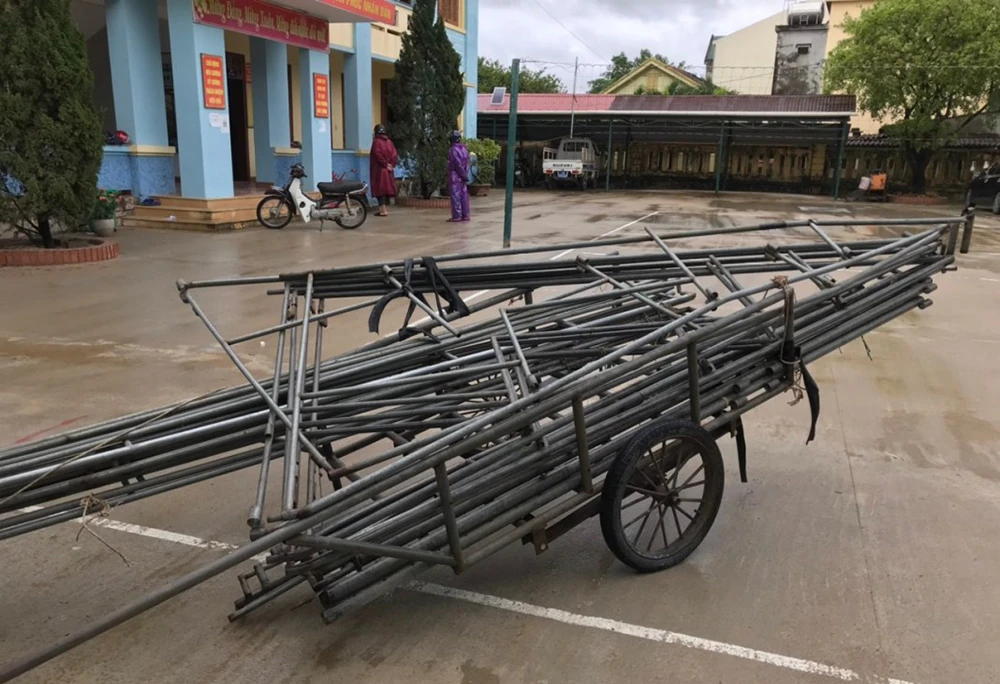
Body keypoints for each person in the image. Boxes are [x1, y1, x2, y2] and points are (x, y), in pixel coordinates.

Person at [369, 125, 398, 217]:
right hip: (388, 170)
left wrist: (385, 164)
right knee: (386, 189)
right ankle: (383, 209)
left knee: (380, 190)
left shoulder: (376, 142)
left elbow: (377, 155)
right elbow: (394, 155)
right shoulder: (390, 142)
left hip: (379, 170)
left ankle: (383, 210)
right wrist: (391, 165)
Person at [446, 130, 470, 223]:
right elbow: (467, 163)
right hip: (463, 176)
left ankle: (457, 216)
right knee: (464, 196)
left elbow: (457, 164)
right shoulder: (464, 149)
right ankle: (465, 215)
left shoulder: (453, 150)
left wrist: (462, 174)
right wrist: (465, 174)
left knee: (455, 196)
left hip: (455, 176)